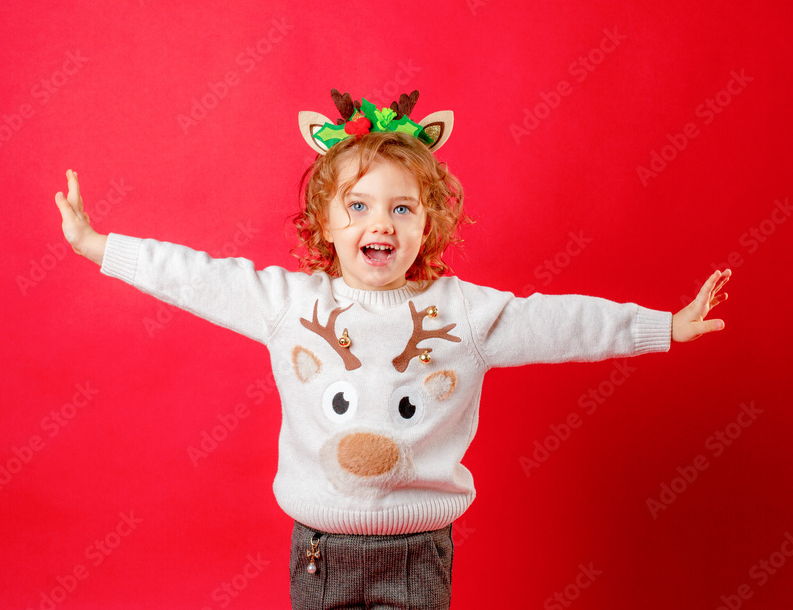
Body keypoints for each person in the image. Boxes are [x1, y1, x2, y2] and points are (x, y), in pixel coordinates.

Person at [54, 90, 730, 609]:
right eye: (358, 206)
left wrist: (663, 326)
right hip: (320, 551)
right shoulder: (288, 302)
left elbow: (560, 323)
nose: (380, 222)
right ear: (326, 220)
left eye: (401, 208)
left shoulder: (462, 311)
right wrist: (99, 246)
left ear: (429, 222)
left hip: (418, 555)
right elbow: (195, 274)